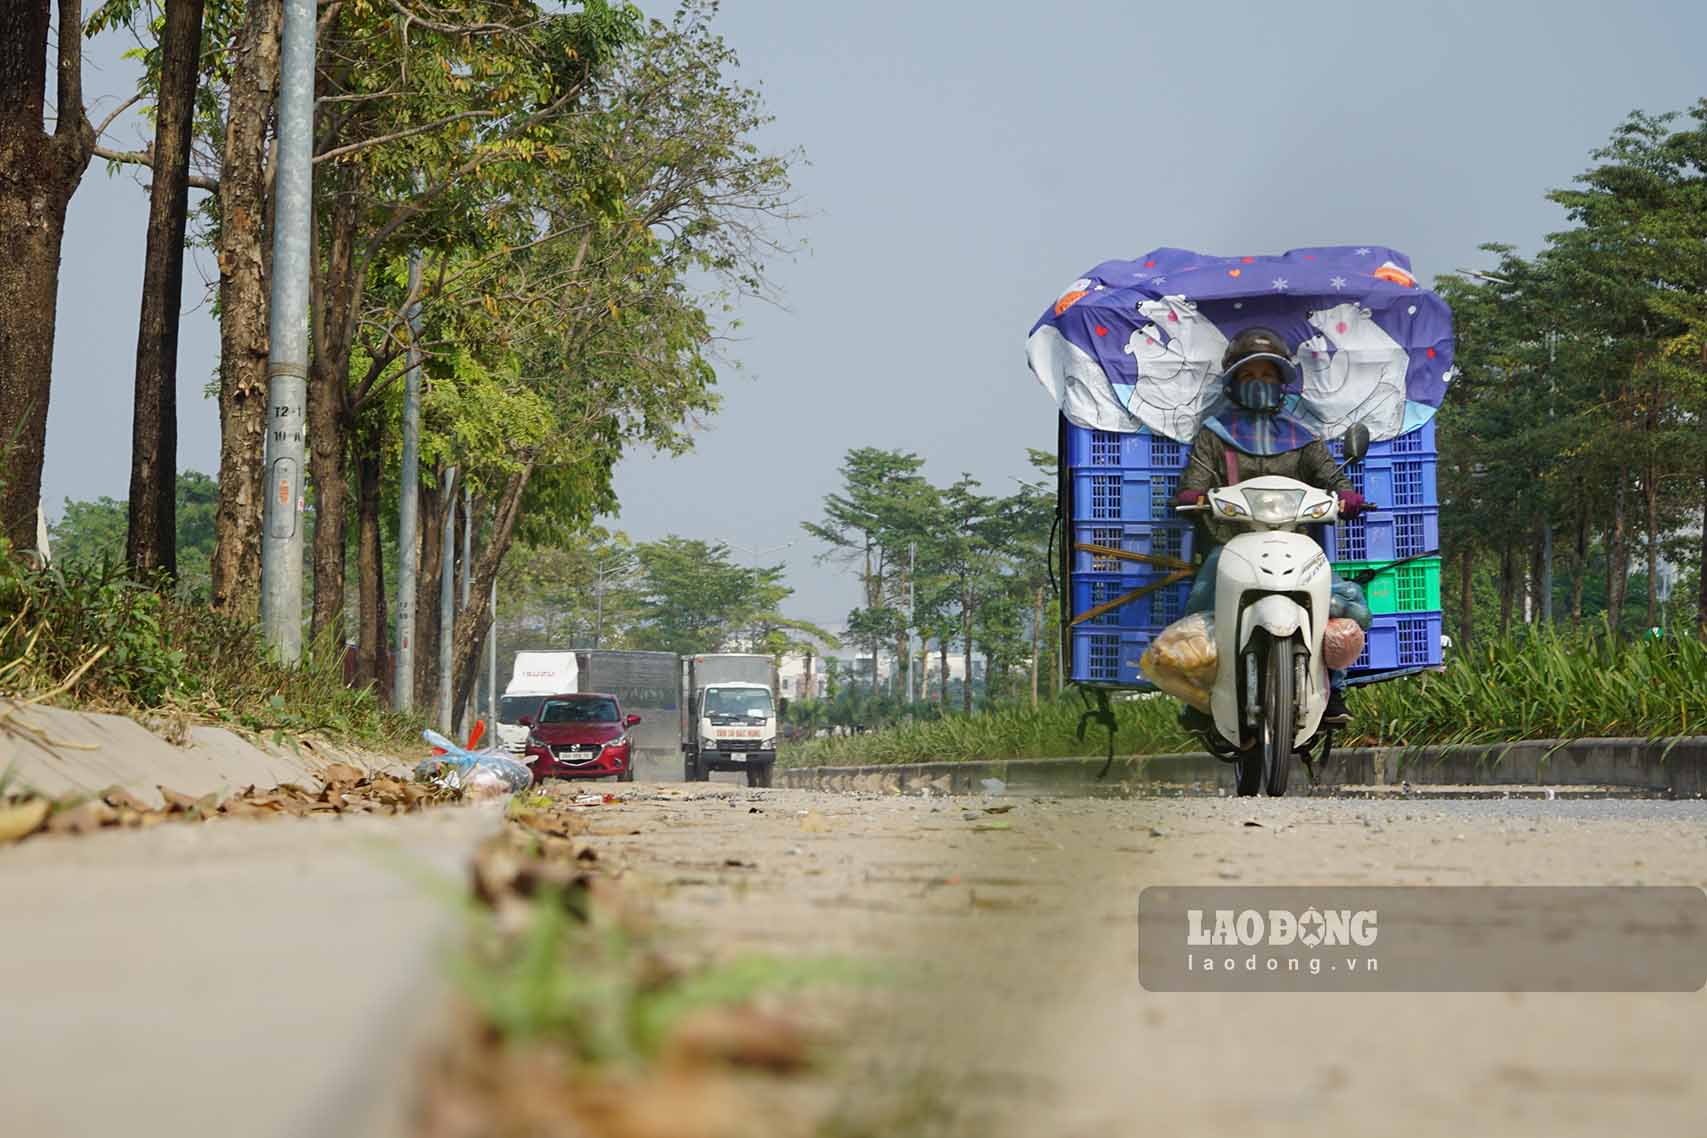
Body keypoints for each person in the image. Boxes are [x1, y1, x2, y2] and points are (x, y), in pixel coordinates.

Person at [1173, 326, 1370, 724]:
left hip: (1295, 546)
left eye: (1267, 375)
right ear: (1233, 384)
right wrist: (1193, 498)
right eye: (1249, 376)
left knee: (1345, 605)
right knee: (1198, 609)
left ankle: (1336, 688)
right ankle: (1201, 694)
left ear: (1281, 383)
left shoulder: (1305, 437)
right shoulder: (1214, 437)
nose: (1259, 383)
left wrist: (1348, 497)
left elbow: (1334, 480)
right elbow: (1192, 484)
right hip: (1231, 546)